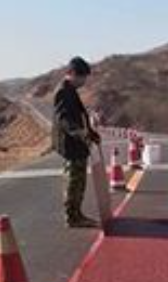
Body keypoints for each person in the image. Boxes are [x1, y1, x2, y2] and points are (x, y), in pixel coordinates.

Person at [52, 57, 101, 228]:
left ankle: (77, 214)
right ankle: (72, 217)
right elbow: (63, 119)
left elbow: (79, 115)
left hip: (77, 141)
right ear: (71, 73)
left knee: (79, 180)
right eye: (81, 77)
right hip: (71, 143)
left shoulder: (71, 90)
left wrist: (90, 132)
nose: (83, 81)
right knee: (74, 180)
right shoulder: (63, 91)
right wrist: (80, 133)